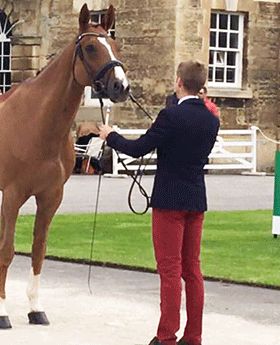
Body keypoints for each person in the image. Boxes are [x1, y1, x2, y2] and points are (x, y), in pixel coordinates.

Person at [99, 60, 220, 345]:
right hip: (195, 198)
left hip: (169, 201)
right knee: (192, 269)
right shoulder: (210, 120)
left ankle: (167, 336)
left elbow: (138, 148)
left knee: (169, 270)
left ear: (179, 81)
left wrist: (111, 136)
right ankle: (193, 336)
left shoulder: (170, 117)